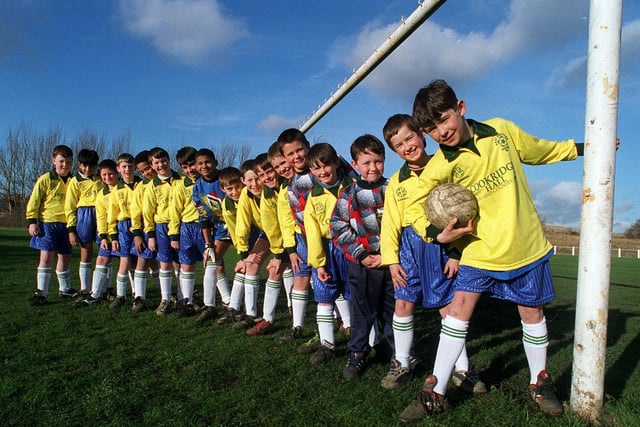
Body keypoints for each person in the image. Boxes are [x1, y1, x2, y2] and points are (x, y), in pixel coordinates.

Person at [398, 79, 582, 422]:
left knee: (531, 314)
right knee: (457, 310)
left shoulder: (501, 130)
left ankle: (539, 383)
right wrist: (439, 234)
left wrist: (584, 147)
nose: (441, 131)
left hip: (524, 245)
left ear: (461, 108)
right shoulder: (440, 165)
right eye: (431, 128)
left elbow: (541, 150)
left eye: (444, 119)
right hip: (479, 251)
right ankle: (434, 392)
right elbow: (414, 207)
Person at [380, 114, 486, 392]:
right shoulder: (396, 182)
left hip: (438, 246)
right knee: (403, 304)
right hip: (407, 249)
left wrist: (455, 252)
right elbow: (390, 224)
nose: (407, 147)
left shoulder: (445, 166)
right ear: (394, 152)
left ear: (422, 135)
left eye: (410, 138)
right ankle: (402, 361)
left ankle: (463, 368)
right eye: (398, 145)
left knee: (447, 308)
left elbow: (463, 213)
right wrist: (391, 261)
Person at [330, 134, 395, 379]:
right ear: (355, 165)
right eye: (366, 163)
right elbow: (338, 226)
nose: (372, 167)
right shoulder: (348, 195)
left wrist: (387, 254)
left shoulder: (393, 189)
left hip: (390, 263)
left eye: (377, 161)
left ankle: (398, 354)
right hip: (362, 265)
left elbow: (401, 225)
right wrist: (361, 254)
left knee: (393, 311)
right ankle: (357, 352)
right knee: (361, 310)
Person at [303, 143, 354, 364]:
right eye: (317, 168)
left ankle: (362, 339)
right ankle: (327, 344)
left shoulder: (353, 186)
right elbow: (312, 232)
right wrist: (319, 263)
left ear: (335, 163)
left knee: (355, 293)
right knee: (324, 297)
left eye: (326, 165)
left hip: (352, 247)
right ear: (311, 171)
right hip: (328, 249)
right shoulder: (313, 197)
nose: (323, 172)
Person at [27, 144, 77, 305]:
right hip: (47, 223)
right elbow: (34, 202)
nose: (65, 165)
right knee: (46, 257)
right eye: (61, 161)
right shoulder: (46, 179)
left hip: (66, 225)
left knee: (65, 256)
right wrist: (32, 222)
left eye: (68, 162)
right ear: (53, 161)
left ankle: (65, 289)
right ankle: (41, 293)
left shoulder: (73, 181)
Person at [169, 147, 216, 318]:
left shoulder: (208, 182)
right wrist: (174, 236)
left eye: (192, 165)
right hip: (187, 228)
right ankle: (187, 302)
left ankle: (216, 303)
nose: (190, 170)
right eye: (185, 167)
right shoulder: (180, 185)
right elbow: (174, 211)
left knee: (213, 265)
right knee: (186, 266)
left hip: (206, 228)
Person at [192, 148, 232, 323]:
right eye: (200, 163)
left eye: (207, 162)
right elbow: (203, 219)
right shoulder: (197, 187)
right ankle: (212, 305)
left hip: (240, 224)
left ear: (215, 162)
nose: (204, 166)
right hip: (221, 228)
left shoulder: (226, 178)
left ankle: (235, 306)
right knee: (211, 261)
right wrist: (208, 244)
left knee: (250, 264)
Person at [74, 159, 119, 306]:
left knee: (133, 262)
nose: (107, 178)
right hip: (109, 233)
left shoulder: (126, 189)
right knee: (102, 259)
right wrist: (103, 235)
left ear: (117, 172)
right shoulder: (101, 194)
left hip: (126, 230)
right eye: (104, 175)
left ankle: (137, 296)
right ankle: (95, 294)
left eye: (110, 174)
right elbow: (101, 217)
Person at [143, 147, 181, 316]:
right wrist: (150, 236)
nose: (161, 165)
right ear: (152, 165)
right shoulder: (151, 186)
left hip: (182, 225)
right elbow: (148, 212)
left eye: (163, 160)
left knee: (182, 262)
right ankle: (165, 299)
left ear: (169, 159)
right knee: (164, 262)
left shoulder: (181, 180)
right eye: (156, 162)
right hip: (161, 227)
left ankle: (183, 298)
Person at [215, 167, 250, 325]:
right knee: (243, 269)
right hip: (244, 241)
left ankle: (245, 310)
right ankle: (236, 309)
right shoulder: (227, 206)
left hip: (263, 236)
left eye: (238, 187)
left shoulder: (249, 196)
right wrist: (242, 251)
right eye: (230, 189)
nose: (235, 191)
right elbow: (235, 230)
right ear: (223, 189)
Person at [64, 148, 101, 295]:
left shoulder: (100, 179)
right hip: (84, 215)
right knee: (86, 251)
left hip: (100, 215)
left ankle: (104, 288)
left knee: (105, 250)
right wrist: (71, 230)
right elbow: (70, 206)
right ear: (79, 165)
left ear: (96, 165)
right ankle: (85, 288)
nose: (88, 169)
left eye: (91, 166)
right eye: (85, 166)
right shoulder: (74, 181)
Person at [108, 153, 141, 308]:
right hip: (123, 226)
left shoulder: (142, 185)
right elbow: (112, 214)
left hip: (141, 225)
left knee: (142, 261)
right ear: (118, 168)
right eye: (124, 166)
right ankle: (121, 295)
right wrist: (113, 236)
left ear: (135, 168)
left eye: (130, 166)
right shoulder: (116, 190)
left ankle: (138, 293)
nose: (127, 169)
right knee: (125, 260)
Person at [129, 150, 159, 313]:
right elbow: (136, 211)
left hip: (167, 227)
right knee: (143, 261)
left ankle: (172, 296)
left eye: (148, 168)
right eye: (142, 171)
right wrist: (137, 234)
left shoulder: (171, 181)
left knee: (172, 262)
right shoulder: (141, 187)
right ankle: (139, 297)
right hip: (147, 230)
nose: (147, 172)